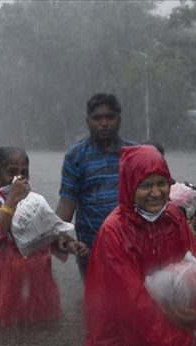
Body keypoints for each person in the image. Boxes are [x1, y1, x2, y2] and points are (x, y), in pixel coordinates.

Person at [84, 145, 196, 346]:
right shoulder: (114, 231)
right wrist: (175, 345)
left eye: (161, 183)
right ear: (129, 185)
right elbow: (132, 303)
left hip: (172, 329)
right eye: (145, 185)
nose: (155, 193)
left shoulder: (173, 216)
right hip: (123, 343)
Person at [0, 147, 88, 327]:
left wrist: (68, 245)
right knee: (2, 337)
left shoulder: (33, 200)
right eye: (11, 172)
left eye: (24, 173)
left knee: (41, 334)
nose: (18, 178)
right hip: (2, 290)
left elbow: (46, 234)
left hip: (38, 288)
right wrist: (12, 201)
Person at [56, 93, 136, 278]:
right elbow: (67, 202)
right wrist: (59, 232)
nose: (104, 123)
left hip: (131, 245)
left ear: (119, 120)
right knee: (96, 303)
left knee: (132, 301)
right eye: (97, 118)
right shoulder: (76, 155)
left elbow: (153, 199)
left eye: (110, 117)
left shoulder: (134, 154)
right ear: (88, 121)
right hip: (90, 248)